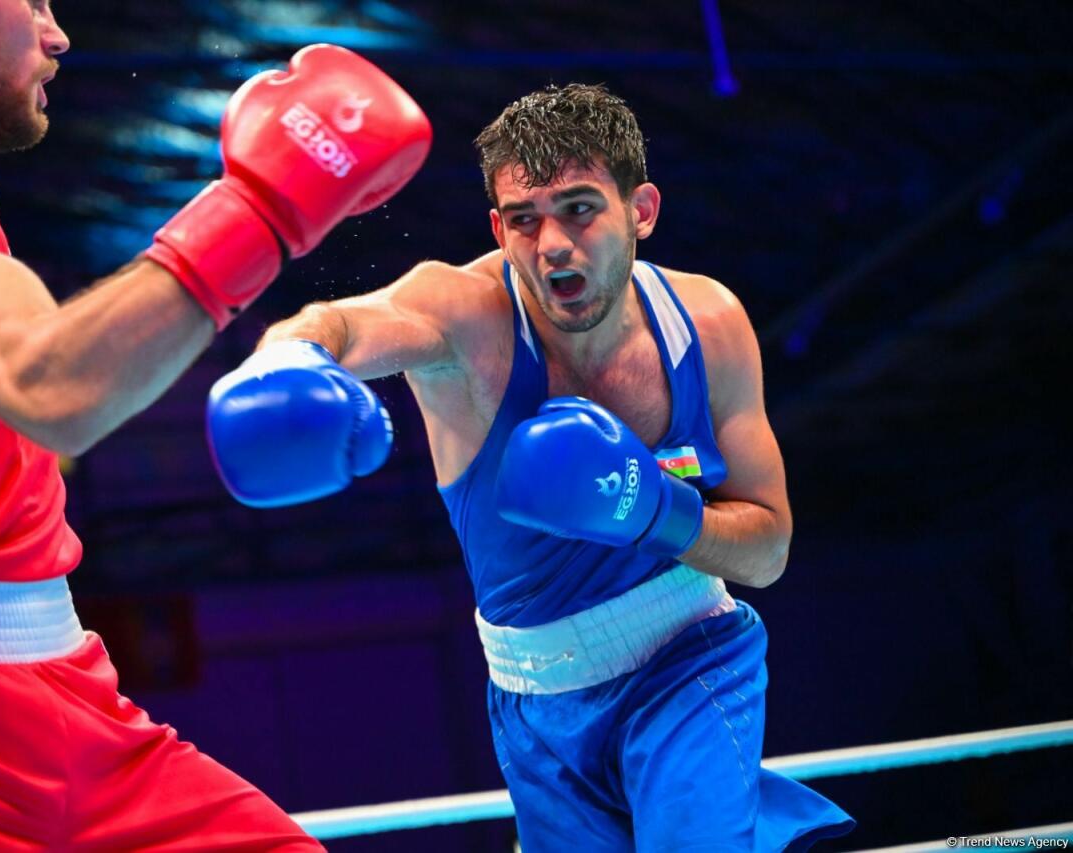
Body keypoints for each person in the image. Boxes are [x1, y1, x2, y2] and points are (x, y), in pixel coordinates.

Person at [0, 0, 431, 846]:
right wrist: (262, 209)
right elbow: (52, 388)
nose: (57, 34)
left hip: (73, 696)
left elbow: (42, 395)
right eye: (34, 2)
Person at [208, 84, 856, 850]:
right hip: (534, 700)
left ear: (641, 211)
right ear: (497, 227)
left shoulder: (707, 324)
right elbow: (342, 323)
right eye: (524, 218)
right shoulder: (464, 316)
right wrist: (289, 359)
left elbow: (768, 550)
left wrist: (654, 509)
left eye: (579, 209)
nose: (551, 243)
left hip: (692, 657)